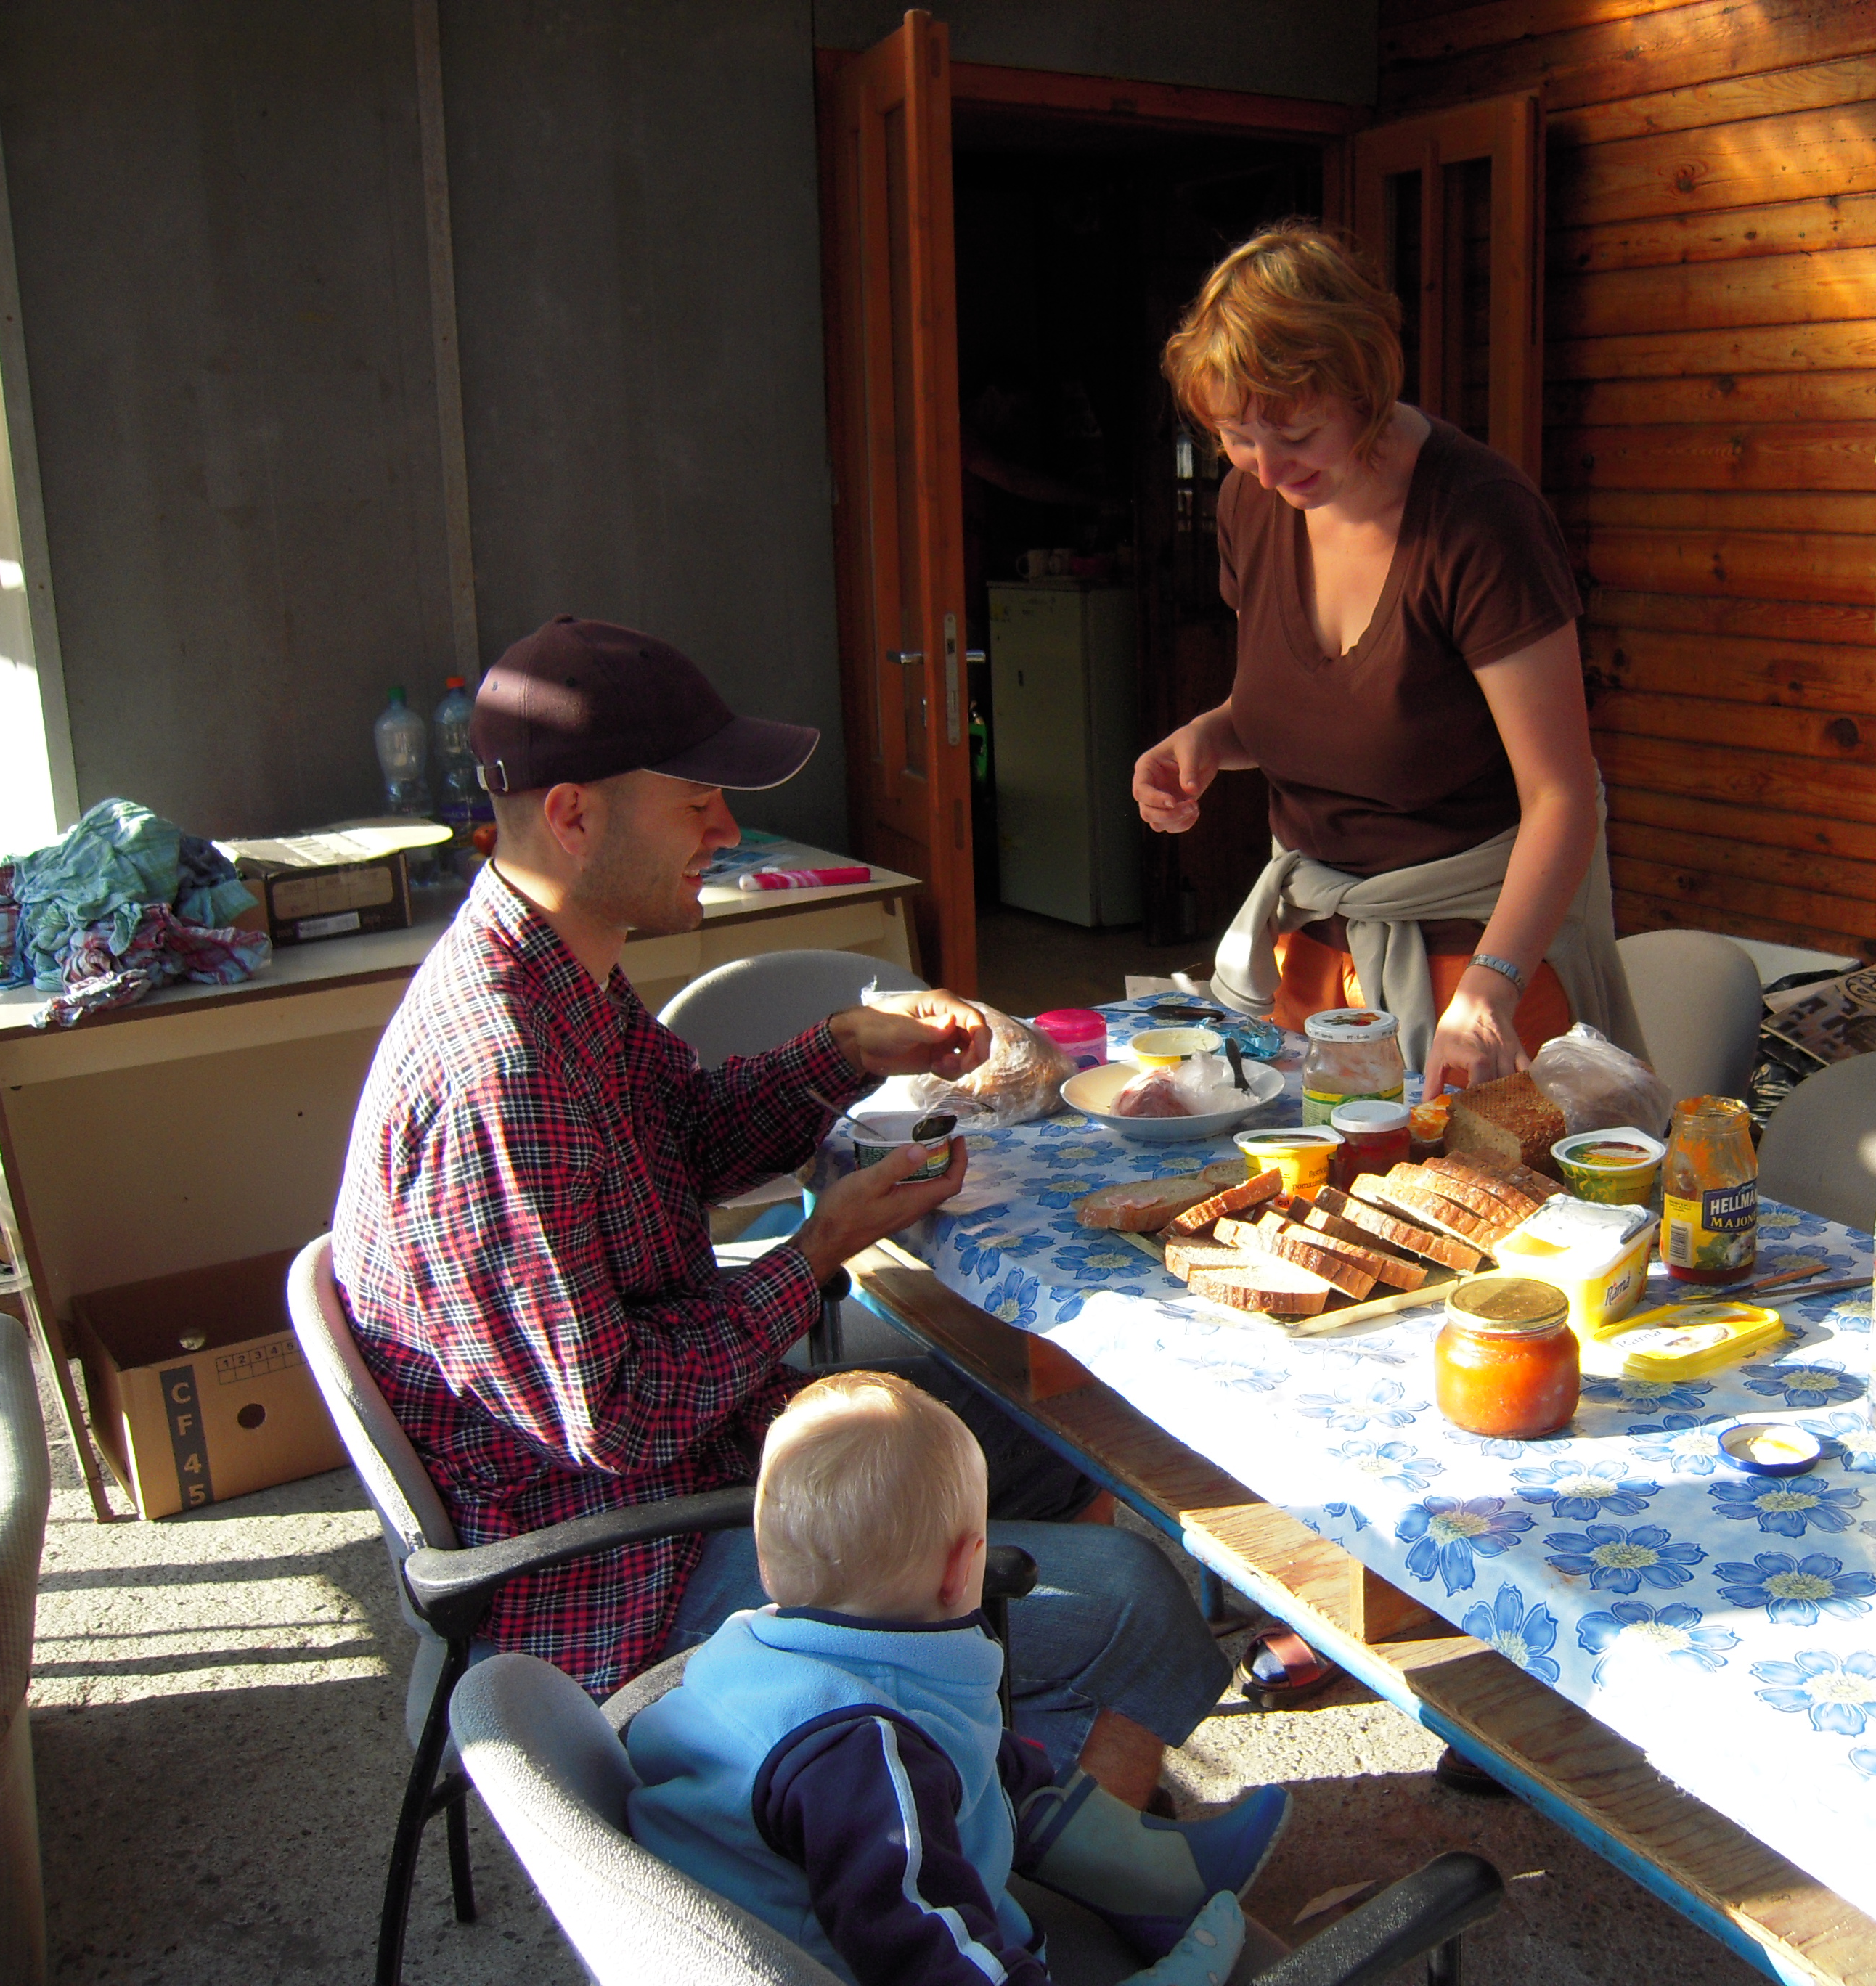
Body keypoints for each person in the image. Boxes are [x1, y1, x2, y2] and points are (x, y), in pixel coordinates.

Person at [330, 615, 1228, 1806]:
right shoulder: (503, 1075)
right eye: (696, 801)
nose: (725, 831)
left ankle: (1001, 1781)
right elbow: (622, 1417)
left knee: (1047, 1403)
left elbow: (686, 1136)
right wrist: (817, 1250)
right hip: (619, 1572)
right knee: (1132, 1599)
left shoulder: (554, 968)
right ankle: (1010, 1844)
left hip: (680, 1466)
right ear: (575, 816)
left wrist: (846, 1048)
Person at [1135, 222, 1645, 1091]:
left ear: (1363, 385)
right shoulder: (1250, 505)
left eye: (1297, 433)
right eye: (1237, 437)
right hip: (1316, 955)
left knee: (1485, 1176)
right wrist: (1207, 739)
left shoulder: (1479, 518)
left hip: (1482, 957)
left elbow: (1561, 796)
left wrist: (1491, 988)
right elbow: (1312, 711)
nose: (1268, 470)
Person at [627, 1371, 1286, 1986]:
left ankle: (1159, 1874)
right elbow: (920, 1947)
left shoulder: (753, 1647)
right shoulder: (865, 1757)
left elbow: (973, 1752)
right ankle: (1154, 1891)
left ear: (765, 1559)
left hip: (712, 1926)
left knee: (995, 1757)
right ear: (965, 1568)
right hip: (819, 1965)